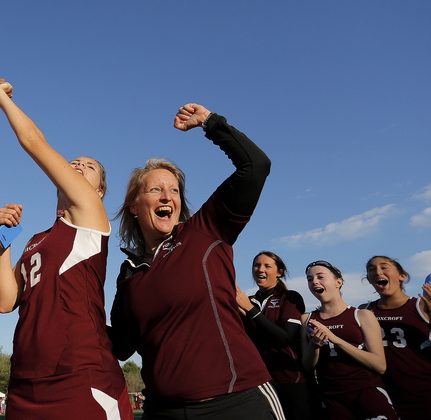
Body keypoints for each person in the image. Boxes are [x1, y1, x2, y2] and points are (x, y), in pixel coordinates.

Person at [110, 104, 282, 420]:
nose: (167, 197)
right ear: (134, 206)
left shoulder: (204, 230)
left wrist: (210, 122)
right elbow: (120, 345)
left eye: (174, 190)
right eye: (156, 189)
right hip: (164, 411)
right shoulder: (129, 273)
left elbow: (256, 165)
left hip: (238, 403)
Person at [0, 83, 132, 420]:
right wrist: (3, 245)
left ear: (98, 191)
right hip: (27, 378)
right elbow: (5, 302)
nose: (78, 166)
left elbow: (32, 141)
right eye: (73, 163)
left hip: (80, 373)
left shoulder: (89, 218)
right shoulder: (37, 238)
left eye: (89, 166)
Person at [302, 260, 398, 420]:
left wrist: (336, 340)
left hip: (367, 392)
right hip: (332, 397)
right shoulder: (307, 319)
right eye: (310, 279)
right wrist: (314, 346)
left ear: (338, 282)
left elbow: (380, 365)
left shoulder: (362, 315)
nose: (315, 282)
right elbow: (307, 365)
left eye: (320, 277)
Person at [236, 251, 310, 419]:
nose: (260, 269)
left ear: (279, 273)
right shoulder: (248, 300)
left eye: (267, 266)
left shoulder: (289, 297)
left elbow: (285, 338)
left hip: (289, 379)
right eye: (256, 265)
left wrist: (251, 311)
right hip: (258, 382)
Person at [359, 255, 431, 420]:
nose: (378, 271)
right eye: (371, 269)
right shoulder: (364, 311)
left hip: (423, 392)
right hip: (384, 395)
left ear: (402, 276)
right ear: (369, 279)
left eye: (384, 267)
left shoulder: (421, 306)